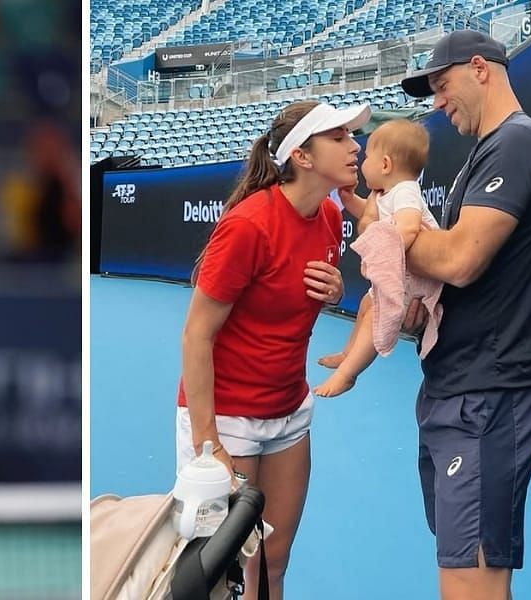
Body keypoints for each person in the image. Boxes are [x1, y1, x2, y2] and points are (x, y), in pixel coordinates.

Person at [398, 30, 531, 600]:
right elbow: (456, 280)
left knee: (472, 588)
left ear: (480, 69)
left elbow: (462, 260)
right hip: (461, 391)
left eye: (442, 87)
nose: (438, 104)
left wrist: (388, 233)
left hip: (489, 399)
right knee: (468, 578)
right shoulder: (487, 151)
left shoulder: (518, 142)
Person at [178, 100, 362, 599]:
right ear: (302, 156)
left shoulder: (328, 214)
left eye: (352, 136)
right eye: (340, 137)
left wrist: (337, 292)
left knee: (273, 563)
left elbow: (290, 303)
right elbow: (197, 335)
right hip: (228, 419)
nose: (355, 146)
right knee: (223, 577)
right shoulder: (248, 225)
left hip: (288, 414)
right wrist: (208, 443)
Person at [314, 118, 438, 397]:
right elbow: (375, 218)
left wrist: (383, 254)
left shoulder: (405, 190)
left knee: (376, 315)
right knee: (366, 302)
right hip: (404, 273)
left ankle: (348, 374)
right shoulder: (385, 193)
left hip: (416, 279)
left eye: (367, 157)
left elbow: (407, 226)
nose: (361, 161)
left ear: (385, 165)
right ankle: (348, 353)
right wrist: (349, 202)